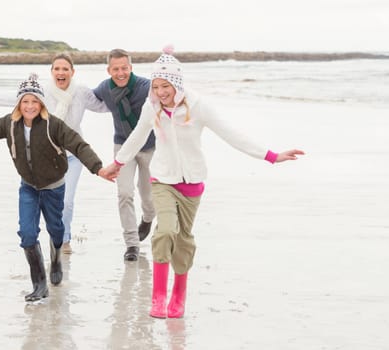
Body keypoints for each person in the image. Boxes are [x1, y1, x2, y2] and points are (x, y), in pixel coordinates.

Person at [103, 46, 305, 318]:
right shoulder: (152, 108)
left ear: (176, 84)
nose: (161, 92)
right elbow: (137, 137)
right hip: (162, 179)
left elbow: (230, 133)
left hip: (192, 184)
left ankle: (179, 295)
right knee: (165, 232)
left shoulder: (198, 106)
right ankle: (158, 297)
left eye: (166, 86)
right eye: (156, 86)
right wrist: (116, 164)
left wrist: (270, 156)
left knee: (184, 240)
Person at [0, 73, 117, 302]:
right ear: (19, 103)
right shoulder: (9, 123)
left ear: (41, 103)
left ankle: (56, 257)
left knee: (56, 229)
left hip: (53, 187)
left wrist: (98, 169)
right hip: (28, 187)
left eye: (34, 101)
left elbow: (79, 146)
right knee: (27, 234)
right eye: (25, 101)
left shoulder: (53, 125)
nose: (30, 106)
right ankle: (39, 285)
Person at [0, 53, 109, 254]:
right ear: (51, 72)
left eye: (65, 69)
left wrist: (134, 104)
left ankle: (63, 240)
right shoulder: (41, 92)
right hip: (45, 157)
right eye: (56, 68)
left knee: (66, 201)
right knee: (39, 205)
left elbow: (103, 105)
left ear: (72, 72)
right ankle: (41, 239)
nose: (61, 72)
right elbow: (7, 100)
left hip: (72, 154)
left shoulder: (81, 92)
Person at [93, 48, 156, 262]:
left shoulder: (146, 87)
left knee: (148, 194)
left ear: (131, 67)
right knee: (125, 193)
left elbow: (169, 100)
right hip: (122, 147)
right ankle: (132, 244)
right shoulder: (105, 88)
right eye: (116, 69)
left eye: (124, 68)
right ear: (109, 70)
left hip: (150, 147)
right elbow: (84, 99)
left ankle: (148, 218)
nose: (120, 73)